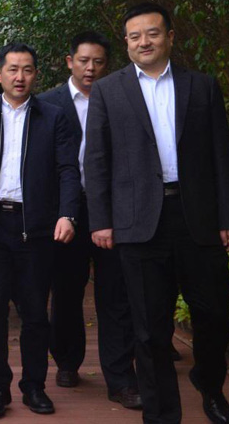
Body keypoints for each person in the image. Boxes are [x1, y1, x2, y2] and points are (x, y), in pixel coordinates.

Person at [85, 2, 229, 424]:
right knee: (150, 328)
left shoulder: (202, 86)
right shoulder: (109, 90)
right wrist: (101, 220)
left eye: (152, 33)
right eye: (135, 36)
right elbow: (97, 161)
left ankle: (210, 384)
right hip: (139, 224)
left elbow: (221, 155)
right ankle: (161, 415)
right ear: (126, 43)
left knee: (214, 313)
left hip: (198, 219)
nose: (144, 42)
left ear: (170, 37)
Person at [0, 42, 80, 419]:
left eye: (27, 69)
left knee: (35, 311)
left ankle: (34, 386)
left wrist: (68, 214)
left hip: (36, 226)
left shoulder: (54, 117)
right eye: (12, 69)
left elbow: (68, 170)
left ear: (35, 75)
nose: (20, 77)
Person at [39, 32, 142, 409]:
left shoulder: (120, 98)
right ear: (70, 61)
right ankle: (67, 361)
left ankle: (121, 378)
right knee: (66, 292)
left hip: (113, 211)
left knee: (116, 295)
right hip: (67, 213)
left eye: (98, 62)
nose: (90, 69)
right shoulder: (47, 103)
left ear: (107, 65)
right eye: (83, 61)